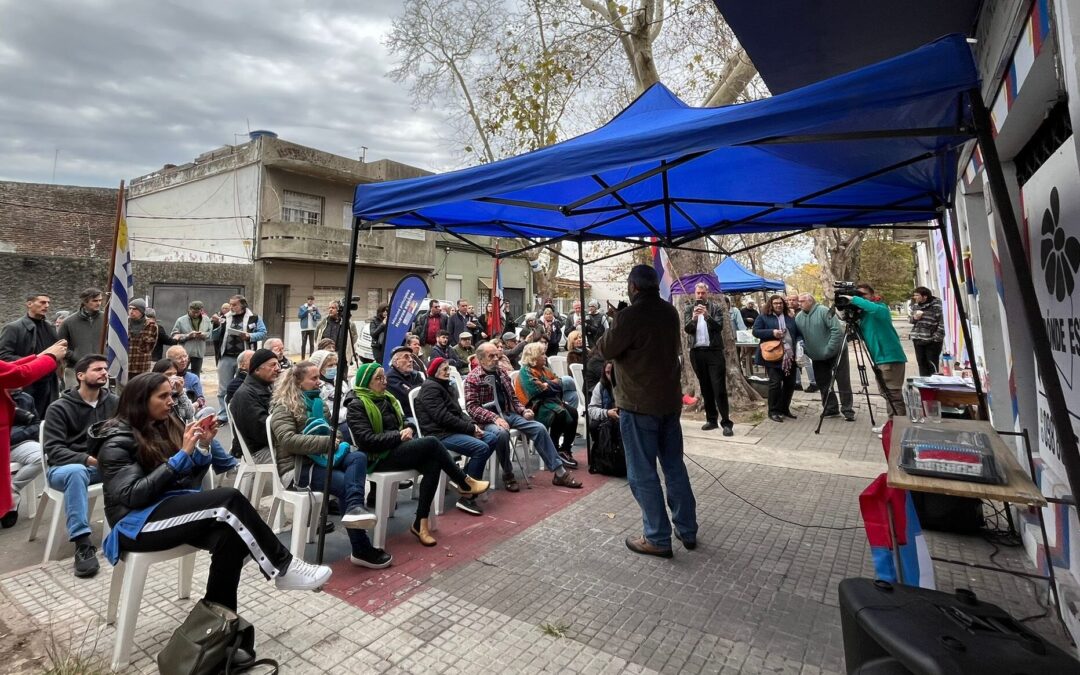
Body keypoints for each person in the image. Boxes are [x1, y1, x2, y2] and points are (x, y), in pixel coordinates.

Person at [95, 373, 333, 612]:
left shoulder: (158, 427)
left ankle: (217, 616)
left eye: (172, 394)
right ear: (140, 401)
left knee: (230, 538)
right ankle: (284, 565)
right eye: (163, 396)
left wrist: (204, 446)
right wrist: (181, 456)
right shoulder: (116, 441)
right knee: (228, 497)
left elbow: (188, 480)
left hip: (166, 506)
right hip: (134, 524)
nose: (171, 401)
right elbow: (132, 495)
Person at [596, 265, 696, 558]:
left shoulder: (629, 316)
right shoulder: (669, 311)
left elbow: (605, 348)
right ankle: (687, 529)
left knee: (642, 473)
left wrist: (615, 320)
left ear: (634, 287)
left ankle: (657, 537)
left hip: (638, 405)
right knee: (674, 466)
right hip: (668, 402)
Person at [346, 363, 488, 547]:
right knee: (431, 442)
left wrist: (409, 429)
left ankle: (420, 522)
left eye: (384, 377)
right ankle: (463, 481)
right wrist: (398, 436)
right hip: (378, 457)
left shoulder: (387, 398)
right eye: (378, 379)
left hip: (396, 448)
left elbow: (406, 421)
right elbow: (366, 440)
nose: (384, 382)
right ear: (366, 383)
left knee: (433, 463)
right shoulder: (356, 405)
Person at [269, 362, 390, 569]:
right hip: (298, 469)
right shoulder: (284, 406)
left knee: (358, 457)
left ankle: (354, 509)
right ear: (298, 382)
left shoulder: (319, 403)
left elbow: (335, 431)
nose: (319, 382)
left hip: (323, 460)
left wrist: (336, 440)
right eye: (314, 378)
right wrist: (328, 442)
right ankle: (361, 548)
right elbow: (288, 440)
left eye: (319, 377)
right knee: (345, 485)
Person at [464, 342, 581, 490]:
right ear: (481, 360)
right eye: (491, 356)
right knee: (501, 434)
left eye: (496, 355)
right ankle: (508, 474)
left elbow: (513, 398)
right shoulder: (472, 378)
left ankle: (559, 473)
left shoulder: (501, 372)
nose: (496, 358)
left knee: (538, 428)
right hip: (488, 420)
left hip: (508, 413)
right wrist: (495, 418)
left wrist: (523, 411)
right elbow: (472, 407)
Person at [41, 353, 117, 577]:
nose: (104, 372)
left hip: (102, 467)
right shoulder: (59, 408)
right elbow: (54, 450)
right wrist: (88, 459)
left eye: (105, 368)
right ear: (80, 375)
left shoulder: (114, 402)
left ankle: (133, 526)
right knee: (76, 473)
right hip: (64, 469)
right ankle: (83, 545)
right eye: (97, 369)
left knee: (135, 463)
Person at [416, 357, 508, 512]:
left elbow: (459, 412)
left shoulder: (446, 386)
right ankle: (467, 496)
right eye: (444, 369)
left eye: (448, 369)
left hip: (452, 430)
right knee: (481, 448)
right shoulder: (430, 388)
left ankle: (461, 478)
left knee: (492, 437)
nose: (448, 372)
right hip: (438, 435)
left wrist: (472, 425)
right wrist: (470, 429)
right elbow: (443, 418)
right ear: (435, 372)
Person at [152, 358, 238, 475]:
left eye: (174, 374)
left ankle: (226, 464)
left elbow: (189, 412)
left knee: (206, 430)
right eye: (168, 375)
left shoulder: (182, 387)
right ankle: (227, 464)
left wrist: (181, 392)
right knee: (201, 436)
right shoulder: (155, 395)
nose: (173, 378)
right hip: (171, 436)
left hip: (182, 429)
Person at [840, 287, 907, 420]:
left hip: (890, 357)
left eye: (863, 295)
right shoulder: (863, 315)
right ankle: (891, 423)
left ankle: (898, 428)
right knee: (886, 393)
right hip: (878, 358)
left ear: (872, 295)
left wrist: (854, 299)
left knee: (893, 394)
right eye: (858, 295)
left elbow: (873, 309)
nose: (861, 298)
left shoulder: (880, 308)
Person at [515, 343, 580, 469]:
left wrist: (546, 384)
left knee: (572, 412)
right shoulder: (525, 371)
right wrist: (549, 385)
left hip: (549, 402)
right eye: (542, 354)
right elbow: (536, 390)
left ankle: (565, 449)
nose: (545, 356)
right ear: (534, 357)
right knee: (559, 414)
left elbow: (559, 382)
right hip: (533, 407)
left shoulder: (544, 369)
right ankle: (554, 450)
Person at [683, 282, 734, 435]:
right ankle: (711, 419)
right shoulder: (688, 309)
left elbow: (719, 327)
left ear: (707, 293)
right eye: (698, 293)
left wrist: (707, 316)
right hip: (697, 353)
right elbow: (687, 329)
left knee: (718, 388)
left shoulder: (715, 307)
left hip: (714, 352)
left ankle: (726, 422)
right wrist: (693, 318)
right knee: (705, 387)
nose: (700, 296)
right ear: (694, 294)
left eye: (703, 293)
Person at [795, 294, 855, 422]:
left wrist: (829, 349)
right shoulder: (799, 317)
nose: (799, 303)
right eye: (798, 301)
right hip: (817, 356)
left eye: (802, 301)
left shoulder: (823, 311)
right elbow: (799, 335)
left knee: (843, 380)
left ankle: (848, 410)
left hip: (837, 351)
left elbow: (836, 331)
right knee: (823, 382)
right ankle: (830, 408)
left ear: (810, 301)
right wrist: (806, 350)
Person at [0, 293, 62, 417]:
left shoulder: (50, 327)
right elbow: (4, 355)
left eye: (48, 303)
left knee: (47, 419)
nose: (47, 306)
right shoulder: (13, 328)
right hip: (27, 383)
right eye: (42, 302)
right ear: (29, 304)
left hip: (49, 383)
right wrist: (35, 363)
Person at [211, 295, 267, 421]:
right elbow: (213, 336)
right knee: (223, 388)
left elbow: (263, 333)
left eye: (234, 305)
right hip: (226, 356)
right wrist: (215, 325)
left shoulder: (254, 318)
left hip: (245, 358)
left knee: (245, 385)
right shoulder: (224, 317)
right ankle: (224, 415)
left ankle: (242, 412)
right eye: (230, 304)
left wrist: (249, 336)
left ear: (243, 305)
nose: (231, 307)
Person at [752, 296, 803, 423]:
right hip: (773, 356)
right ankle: (773, 411)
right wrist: (772, 332)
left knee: (790, 384)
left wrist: (799, 343)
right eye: (775, 303)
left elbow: (797, 333)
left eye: (780, 303)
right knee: (775, 384)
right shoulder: (763, 317)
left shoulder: (789, 318)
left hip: (790, 356)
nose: (778, 305)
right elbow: (756, 332)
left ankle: (784, 409)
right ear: (771, 304)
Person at [228, 348, 280, 464]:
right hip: (258, 451)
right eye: (272, 365)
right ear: (257, 370)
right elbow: (264, 432)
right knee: (304, 456)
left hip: (268, 444)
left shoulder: (266, 386)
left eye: (278, 364)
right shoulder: (246, 394)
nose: (277, 369)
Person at [4, 390, 44, 528]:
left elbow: (37, 424)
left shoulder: (26, 398)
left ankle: (11, 492)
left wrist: (17, 434)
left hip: (18, 443)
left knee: (43, 456)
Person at [58, 288, 104, 388]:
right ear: (85, 302)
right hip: (75, 370)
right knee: (74, 401)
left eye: (100, 300)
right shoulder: (68, 322)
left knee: (100, 400)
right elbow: (60, 346)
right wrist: (76, 357)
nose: (99, 303)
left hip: (100, 368)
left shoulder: (106, 319)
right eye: (95, 300)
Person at [909, 286, 944, 376]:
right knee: (921, 363)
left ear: (925, 296)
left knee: (932, 364)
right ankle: (924, 385)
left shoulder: (936, 305)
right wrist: (915, 318)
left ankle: (934, 386)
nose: (915, 297)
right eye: (914, 295)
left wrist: (936, 338)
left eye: (917, 295)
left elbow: (942, 321)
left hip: (932, 340)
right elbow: (911, 321)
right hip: (918, 338)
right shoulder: (916, 306)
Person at [170, 301, 211, 376]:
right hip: (184, 353)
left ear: (201, 310)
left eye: (197, 312)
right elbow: (174, 335)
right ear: (189, 309)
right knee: (180, 373)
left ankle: (193, 388)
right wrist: (188, 336)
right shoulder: (181, 320)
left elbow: (210, 333)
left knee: (196, 375)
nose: (195, 314)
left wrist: (204, 335)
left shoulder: (206, 320)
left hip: (199, 352)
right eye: (193, 312)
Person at [315, 301, 358, 365]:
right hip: (326, 357)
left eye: (333, 308)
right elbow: (316, 338)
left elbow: (354, 338)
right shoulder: (322, 324)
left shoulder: (349, 324)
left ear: (338, 309)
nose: (330, 310)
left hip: (342, 358)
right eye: (329, 308)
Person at [385, 346, 424, 414]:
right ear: (396, 362)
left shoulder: (415, 374)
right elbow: (409, 396)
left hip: (421, 411)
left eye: (411, 356)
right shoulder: (390, 378)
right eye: (406, 357)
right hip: (407, 416)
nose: (411, 360)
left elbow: (426, 390)